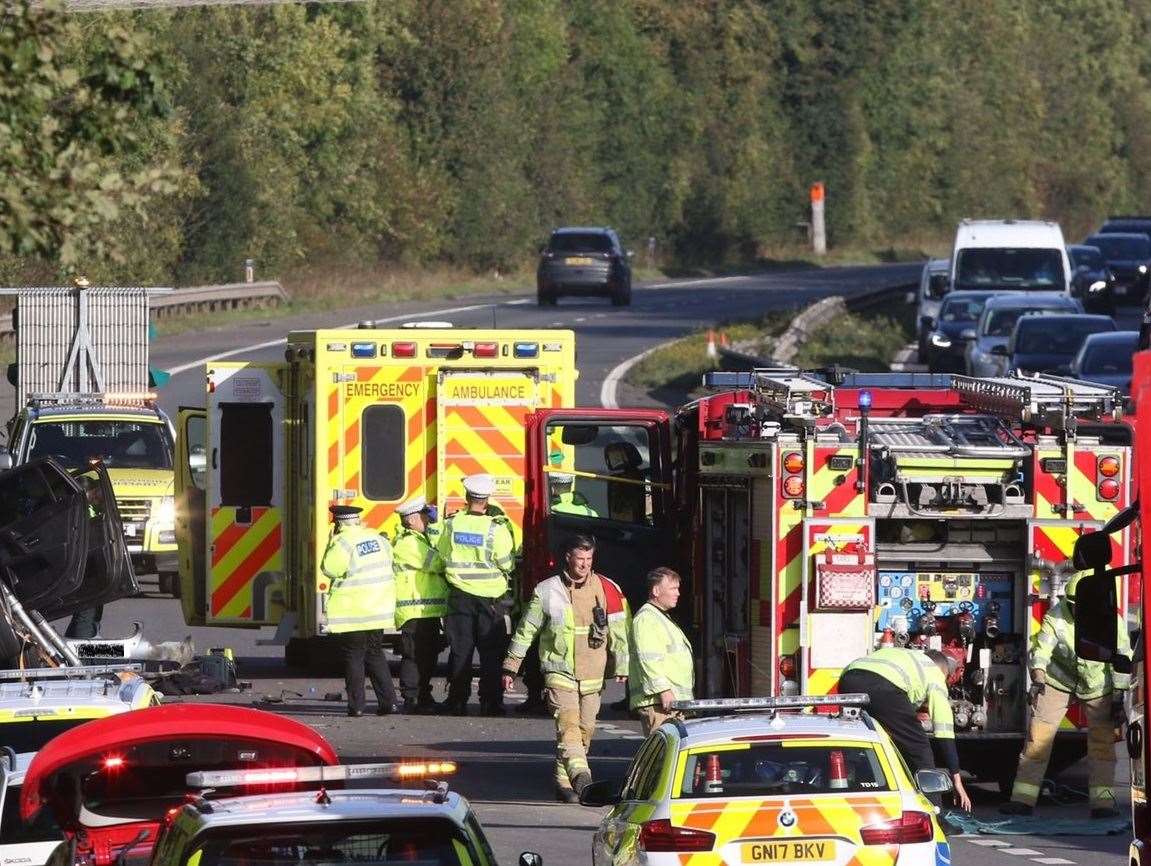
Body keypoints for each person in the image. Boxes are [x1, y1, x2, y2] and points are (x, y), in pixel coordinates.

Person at [502, 535, 630, 803]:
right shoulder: (547, 590)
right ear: (568, 558)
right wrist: (510, 667)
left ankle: (563, 780)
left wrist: (622, 664)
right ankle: (582, 779)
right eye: (579, 559)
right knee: (568, 727)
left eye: (589, 559)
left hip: (593, 676)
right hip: (559, 673)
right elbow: (527, 631)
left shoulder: (608, 589)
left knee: (584, 731)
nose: (584, 564)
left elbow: (619, 630)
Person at [1002, 572, 1130, 817]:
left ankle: (1103, 805)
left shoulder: (1112, 620)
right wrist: (1038, 679)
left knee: (1102, 746)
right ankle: (1022, 800)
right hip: (1058, 681)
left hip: (1098, 685)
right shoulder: (1057, 616)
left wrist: (1117, 696)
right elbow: (1041, 651)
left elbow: (1122, 661)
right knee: (1038, 739)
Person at [839, 646, 972, 811]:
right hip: (882, 685)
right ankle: (935, 814)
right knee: (919, 749)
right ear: (944, 671)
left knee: (862, 746)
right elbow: (944, 730)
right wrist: (956, 779)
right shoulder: (935, 674)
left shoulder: (909, 657)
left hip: (848, 678)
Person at [438, 474, 517, 716]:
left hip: (460, 596)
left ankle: (457, 700)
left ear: (467, 497)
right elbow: (507, 564)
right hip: (490, 601)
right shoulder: (497, 528)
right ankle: (491, 702)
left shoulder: (452, 525)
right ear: (487, 499)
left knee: (461, 650)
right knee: (491, 654)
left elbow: (442, 555)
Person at [320, 504, 397, 717]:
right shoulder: (378, 538)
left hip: (353, 612)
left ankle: (357, 706)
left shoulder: (342, 542)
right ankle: (389, 703)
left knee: (354, 656)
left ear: (338, 523)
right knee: (375, 654)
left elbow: (329, 569)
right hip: (378, 608)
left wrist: (329, 544)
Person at [392, 496, 448, 715]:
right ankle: (412, 697)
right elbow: (436, 563)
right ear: (413, 520)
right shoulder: (409, 543)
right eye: (424, 516)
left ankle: (423, 694)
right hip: (414, 610)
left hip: (426, 610)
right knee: (414, 656)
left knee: (427, 656)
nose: (427, 520)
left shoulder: (420, 539)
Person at [629, 567, 693, 734]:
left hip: (669, 703)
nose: (678, 593)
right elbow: (649, 660)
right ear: (656, 591)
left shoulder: (659, 617)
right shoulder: (646, 619)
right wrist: (664, 691)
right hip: (659, 703)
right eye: (673, 588)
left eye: (677, 588)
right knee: (661, 757)